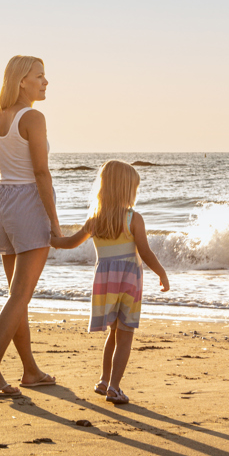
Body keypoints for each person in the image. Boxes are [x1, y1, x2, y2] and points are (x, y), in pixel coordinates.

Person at [0, 56, 63, 397]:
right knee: (20, 295)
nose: (46, 82)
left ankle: (30, 371)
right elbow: (41, 173)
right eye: (40, 76)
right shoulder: (33, 117)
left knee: (16, 296)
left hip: (5, 204)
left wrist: (5, 196)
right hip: (28, 205)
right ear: (22, 81)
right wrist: (54, 223)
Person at [50, 160, 169, 406]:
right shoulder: (133, 218)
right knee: (125, 335)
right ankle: (114, 388)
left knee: (114, 333)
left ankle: (105, 380)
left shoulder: (95, 220)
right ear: (126, 190)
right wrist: (161, 273)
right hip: (128, 282)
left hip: (105, 283)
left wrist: (50, 239)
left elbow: (70, 242)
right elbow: (145, 253)